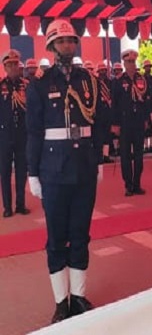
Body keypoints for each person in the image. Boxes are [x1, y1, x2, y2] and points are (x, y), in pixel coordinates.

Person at [26, 19, 106, 322]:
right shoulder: (39, 84)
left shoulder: (89, 81)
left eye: (71, 40)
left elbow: (98, 123)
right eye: (61, 41)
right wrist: (33, 173)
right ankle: (61, 302)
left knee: (81, 234)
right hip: (53, 170)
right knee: (57, 237)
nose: (67, 45)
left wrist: (99, 160)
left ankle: (79, 297)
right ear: (51, 46)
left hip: (84, 166)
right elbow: (34, 132)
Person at [111, 50, 149, 196]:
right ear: (124, 63)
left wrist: (145, 119)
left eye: (133, 62)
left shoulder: (141, 79)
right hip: (124, 122)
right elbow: (114, 104)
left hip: (138, 121)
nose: (131, 65)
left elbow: (146, 101)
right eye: (129, 62)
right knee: (125, 155)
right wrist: (115, 124)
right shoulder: (119, 81)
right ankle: (128, 185)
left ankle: (137, 183)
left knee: (139, 155)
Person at [1, 50, 31, 218]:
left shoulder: (26, 85)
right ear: (5, 67)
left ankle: (20, 204)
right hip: (4, 134)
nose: (13, 67)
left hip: (22, 133)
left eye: (15, 64)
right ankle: (7, 206)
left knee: (21, 169)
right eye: (9, 65)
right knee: (5, 171)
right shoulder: (1, 86)